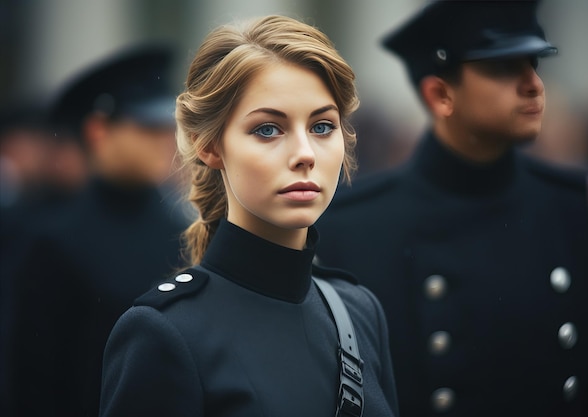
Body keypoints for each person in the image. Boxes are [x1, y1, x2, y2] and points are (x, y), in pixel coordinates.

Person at [315, 1, 588, 416]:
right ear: (440, 94)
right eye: (503, 68)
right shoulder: (351, 225)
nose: (533, 84)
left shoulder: (585, 208)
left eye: (534, 64)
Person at [99, 15, 399, 417]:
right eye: (268, 130)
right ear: (209, 145)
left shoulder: (359, 311)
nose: (305, 153)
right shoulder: (165, 332)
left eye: (323, 126)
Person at [5, 44, 189, 416]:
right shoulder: (56, 241)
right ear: (98, 130)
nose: (164, 139)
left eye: (168, 126)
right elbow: (34, 386)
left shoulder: (181, 229)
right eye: (146, 126)